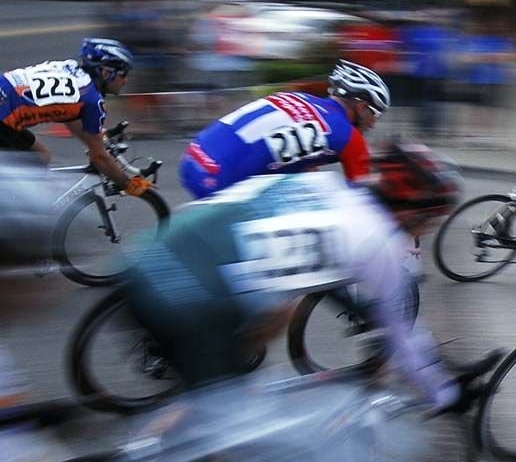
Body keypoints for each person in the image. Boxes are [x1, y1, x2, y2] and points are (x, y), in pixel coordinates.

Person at [127, 143, 488, 412]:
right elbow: (403, 337)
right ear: (412, 212)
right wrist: (445, 392)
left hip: (154, 252)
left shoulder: (328, 186)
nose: (428, 229)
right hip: (191, 297)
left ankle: (161, 445)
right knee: (234, 444)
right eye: (431, 220)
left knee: (246, 351)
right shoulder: (379, 243)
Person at [179, 60, 389, 199]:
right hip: (217, 184)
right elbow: (364, 201)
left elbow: (303, 163)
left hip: (192, 157)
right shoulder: (351, 138)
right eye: (375, 115)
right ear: (362, 107)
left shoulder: (294, 97)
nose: (373, 124)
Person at [0, 38, 151, 197]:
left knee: (41, 156)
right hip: (3, 119)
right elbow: (99, 158)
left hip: (4, 111)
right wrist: (128, 185)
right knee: (37, 189)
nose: (125, 80)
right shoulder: (93, 101)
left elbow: (70, 116)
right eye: (123, 74)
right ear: (106, 73)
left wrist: (98, 138)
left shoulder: (71, 69)